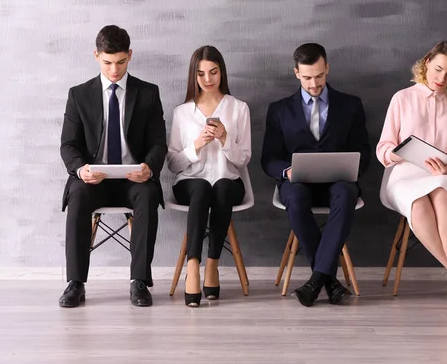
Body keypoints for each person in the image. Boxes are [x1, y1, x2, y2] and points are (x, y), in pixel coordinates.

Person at [376, 40, 447, 312]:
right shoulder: (402, 98)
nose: (442, 78)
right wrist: (401, 152)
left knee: (441, 192)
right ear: (427, 62)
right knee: (418, 202)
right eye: (438, 69)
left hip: (441, 175)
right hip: (403, 175)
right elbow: (382, 150)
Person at [59, 25, 167, 308]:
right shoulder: (79, 95)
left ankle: (140, 282)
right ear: (96, 55)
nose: (114, 70)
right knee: (78, 194)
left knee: (147, 194)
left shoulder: (148, 93)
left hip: (135, 178)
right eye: (107, 62)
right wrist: (81, 169)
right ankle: (75, 283)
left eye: (120, 62)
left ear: (130, 55)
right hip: (94, 180)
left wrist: (149, 168)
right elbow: (68, 145)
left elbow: (159, 144)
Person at [261, 43, 370, 307]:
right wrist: (287, 171)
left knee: (345, 193)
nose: (314, 83)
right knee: (295, 198)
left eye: (319, 76)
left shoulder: (351, 105)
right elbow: (268, 159)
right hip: (297, 182)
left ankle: (317, 279)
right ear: (296, 73)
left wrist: (351, 166)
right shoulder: (279, 109)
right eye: (307, 77)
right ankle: (329, 281)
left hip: (339, 181)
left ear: (327, 69)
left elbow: (364, 152)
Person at [167, 46, 251, 307]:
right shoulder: (182, 112)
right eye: (201, 74)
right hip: (190, 183)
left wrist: (225, 138)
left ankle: (212, 264)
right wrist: (196, 146)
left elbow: (244, 159)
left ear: (221, 73)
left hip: (229, 181)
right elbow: (173, 164)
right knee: (202, 188)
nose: (207, 79)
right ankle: (193, 268)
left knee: (223, 187)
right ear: (194, 76)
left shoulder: (238, 108)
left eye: (213, 72)